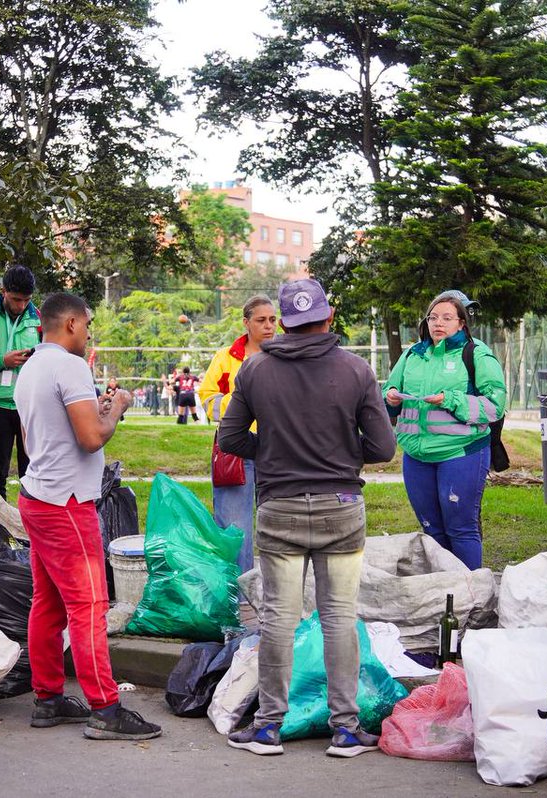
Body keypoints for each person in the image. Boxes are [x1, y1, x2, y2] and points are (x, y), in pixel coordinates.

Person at [218, 278, 395, 758]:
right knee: (338, 615)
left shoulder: (255, 370)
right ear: (328, 317)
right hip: (341, 507)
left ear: (285, 322)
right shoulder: (357, 370)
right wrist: (340, 454)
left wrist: (273, 452)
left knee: (278, 617)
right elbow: (382, 448)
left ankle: (268, 727)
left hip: (280, 507)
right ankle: (346, 729)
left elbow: (230, 437)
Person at [14, 292, 161, 741]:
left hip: (37, 494)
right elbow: (93, 438)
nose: (91, 331)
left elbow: (44, 432)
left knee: (49, 602)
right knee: (89, 605)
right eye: (89, 323)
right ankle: (106, 708)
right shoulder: (70, 366)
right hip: (67, 504)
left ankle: (48, 698)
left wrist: (95, 412)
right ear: (72, 324)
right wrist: (117, 407)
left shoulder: (30, 367)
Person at [383, 290, 506, 571]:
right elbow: (388, 395)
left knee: (460, 528)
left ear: (462, 323)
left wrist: (451, 400)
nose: (439, 323)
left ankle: (472, 599)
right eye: (433, 317)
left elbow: (495, 406)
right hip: (416, 456)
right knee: (432, 531)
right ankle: (444, 596)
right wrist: (389, 397)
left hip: (461, 454)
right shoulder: (412, 355)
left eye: (448, 318)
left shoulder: (477, 353)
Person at [199, 295, 277, 577]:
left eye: (272, 320)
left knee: (280, 526)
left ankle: (276, 590)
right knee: (235, 529)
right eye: (261, 320)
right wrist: (242, 401)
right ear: (246, 323)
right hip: (235, 452)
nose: (269, 326)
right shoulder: (226, 358)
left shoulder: (283, 355)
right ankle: (239, 596)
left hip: (277, 451)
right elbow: (208, 399)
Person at [0, 265, 41, 494]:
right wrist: (1, 361)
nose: (21, 306)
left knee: (30, 472)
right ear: (3, 292)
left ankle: (26, 526)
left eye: (26, 300)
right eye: (16, 299)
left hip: (28, 407)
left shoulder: (37, 318)